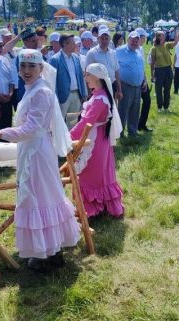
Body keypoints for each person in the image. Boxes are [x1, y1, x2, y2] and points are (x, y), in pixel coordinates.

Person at [0, 49, 81, 271]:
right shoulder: (32, 89)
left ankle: (50, 252)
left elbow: (31, 128)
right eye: (23, 66)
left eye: (31, 66)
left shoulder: (41, 92)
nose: (26, 71)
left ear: (40, 68)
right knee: (40, 196)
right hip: (32, 149)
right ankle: (47, 250)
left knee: (40, 197)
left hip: (37, 151)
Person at [70, 63, 125, 217]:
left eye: (88, 75)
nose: (85, 78)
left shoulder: (100, 99)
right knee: (99, 173)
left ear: (97, 77)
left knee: (91, 173)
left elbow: (87, 121)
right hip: (99, 138)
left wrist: (68, 137)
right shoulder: (98, 94)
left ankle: (93, 208)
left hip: (95, 141)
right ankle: (100, 205)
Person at [49, 34, 87, 127]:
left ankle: (70, 141)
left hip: (76, 95)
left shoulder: (76, 58)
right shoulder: (55, 59)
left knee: (73, 123)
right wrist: (55, 99)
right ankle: (59, 141)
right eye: (73, 43)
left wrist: (83, 93)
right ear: (65, 44)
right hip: (63, 97)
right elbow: (52, 81)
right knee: (59, 123)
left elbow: (80, 77)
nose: (75, 45)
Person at [115, 32, 145, 137]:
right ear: (128, 40)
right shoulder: (119, 51)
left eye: (136, 40)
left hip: (138, 87)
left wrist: (144, 80)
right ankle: (120, 132)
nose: (134, 42)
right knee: (123, 110)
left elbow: (142, 67)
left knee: (135, 110)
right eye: (132, 40)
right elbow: (115, 68)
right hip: (125, 86)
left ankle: (132, 131)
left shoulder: (139, 50)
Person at [85, 27, 123, 102]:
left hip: (111, 86)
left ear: (110, 39)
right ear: (98, 39)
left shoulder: (113, 53)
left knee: (112, 110)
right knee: (100, 111)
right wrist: (90, 92)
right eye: (102, 38)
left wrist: (119, 90)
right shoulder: (92, 53)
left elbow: (116, 72)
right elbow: (87, 74)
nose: (104, 41)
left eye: (106, 38)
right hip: (98, 88)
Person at [148, 31, 176, 112]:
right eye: (162, 35)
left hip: (168, 69)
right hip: (159, 70)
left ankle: (166, 107)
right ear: (158, 37)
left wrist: (176, 30)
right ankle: (159, 107)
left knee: (167, 90)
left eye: (164, 35)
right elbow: (152, 63)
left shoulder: (167, 45)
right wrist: (152, 75)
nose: (164, 36)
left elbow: (176, 42)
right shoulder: (154, 48)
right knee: (158, 90)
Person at [135, 28, 153, 132]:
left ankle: (141, 124)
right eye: (144, 37)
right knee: (135, 105)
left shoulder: (141, 49)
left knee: (147, 101)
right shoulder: (134, 49)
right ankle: (134, 126)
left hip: (142, 79)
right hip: (135, 81)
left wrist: (145, 80)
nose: (145, 39)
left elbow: (142, 67)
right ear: (140, 37)